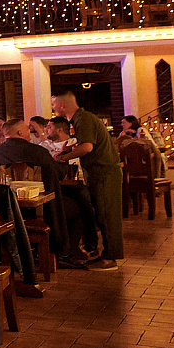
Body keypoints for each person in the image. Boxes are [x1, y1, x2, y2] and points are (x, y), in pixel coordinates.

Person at [52, 88, 122, 268]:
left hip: (103, 171)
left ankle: (110, 258)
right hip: (100, 171)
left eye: (53, 104)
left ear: (61, 105)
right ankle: (107, 254)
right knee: (102, 214)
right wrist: (69, 148)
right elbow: (84, 143)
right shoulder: (81, 118)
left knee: (106, 216)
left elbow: (87, 147)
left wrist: (63, 158)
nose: (53, 108)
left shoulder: (83, 119)